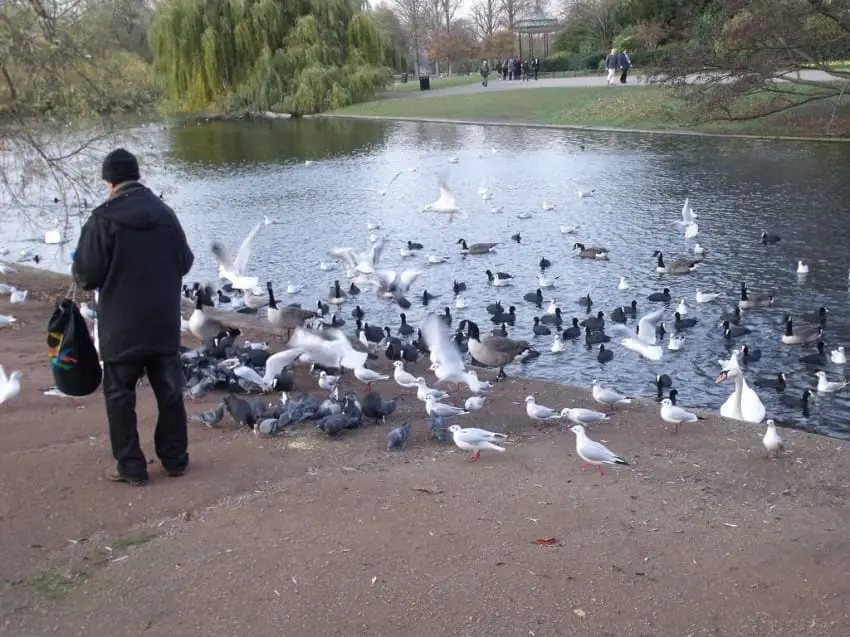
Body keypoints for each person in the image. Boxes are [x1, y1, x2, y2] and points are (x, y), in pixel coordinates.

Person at [73, 148, 195, 486]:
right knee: (170, 393)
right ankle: (174, 459)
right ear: (137, 175)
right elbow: (185, 261)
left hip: (121, 326)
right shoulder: (165, 214)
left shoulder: (102, 219)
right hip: (162, 322)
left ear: (108, 181)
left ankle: (131, 467)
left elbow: (86, 275)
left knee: (120, 395)